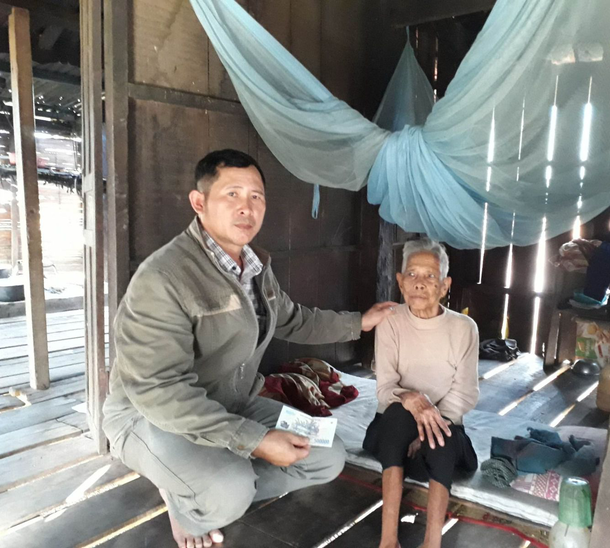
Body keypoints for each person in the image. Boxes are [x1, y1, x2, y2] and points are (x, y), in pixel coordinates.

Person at [102, 149, 397, 548]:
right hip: (152, 417)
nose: (247, 207)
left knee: (326, 456)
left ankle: (201, 484)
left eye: (256, 196)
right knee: (230, 491)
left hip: (231, 402)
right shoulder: (163, 278)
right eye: (232, 194)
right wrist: (253, 440)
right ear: (199, 202)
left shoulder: (254, 265)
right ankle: (189, 501)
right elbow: (159, 391)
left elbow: (292, 318)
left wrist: (359, 322)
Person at [363, 239, 480, 548]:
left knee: (440, 439)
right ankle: (388, 540)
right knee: (397, 414)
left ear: (444, 286)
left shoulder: (463, 328)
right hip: (394, 435)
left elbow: (465, 393)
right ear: (400, 282)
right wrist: (412, 400)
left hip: (441, 430)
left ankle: (432, 543)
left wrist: (427, 425)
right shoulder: (390, 321)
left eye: (430, 276)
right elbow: (385, 388)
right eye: (412, 274)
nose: (419, 283)